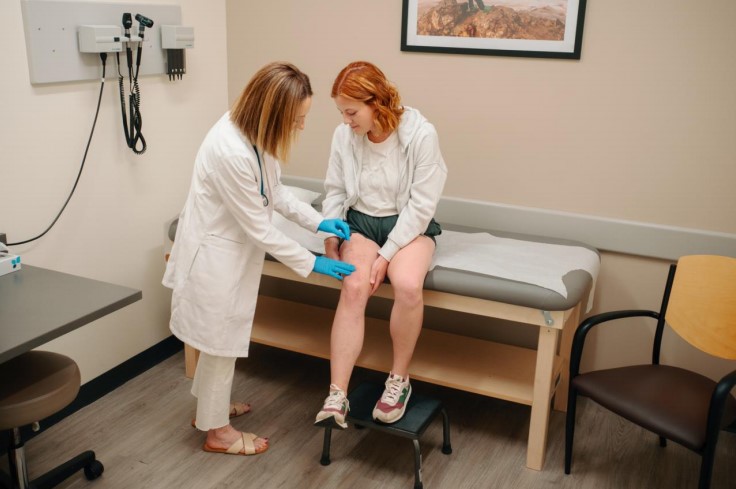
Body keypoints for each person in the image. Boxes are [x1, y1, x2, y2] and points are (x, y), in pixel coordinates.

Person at [163, 62, 355, 456]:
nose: (301, 127)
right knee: (220, 343)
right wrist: (311, 262)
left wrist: (321, 222)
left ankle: (208, 410)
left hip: (229, 253)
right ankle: (217, 432)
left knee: (222, 342)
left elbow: (276, 193)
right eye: (297, 119)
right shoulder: (229, 150)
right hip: (214, 256)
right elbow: (260, 228)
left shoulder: (253, 132)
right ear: (273, 113)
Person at [314, 61, 447, 428]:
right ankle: (337, 394)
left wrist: (387, 256)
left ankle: (398, 381)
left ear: (377, 103)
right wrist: (330, 236)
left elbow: (422, 205)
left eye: (352, 111)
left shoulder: (421, 134)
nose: (346, 120)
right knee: (354, 285)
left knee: (406, 286)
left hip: (410, 226)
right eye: (341, 112)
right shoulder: (345, 136)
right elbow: (335, 190)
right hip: (360, 222)